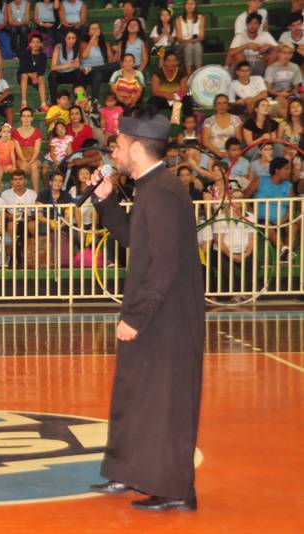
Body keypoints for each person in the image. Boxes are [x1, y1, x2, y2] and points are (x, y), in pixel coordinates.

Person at [87, 109, 204, 512]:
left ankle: (176, 490)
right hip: (154, 313)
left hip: (168, 320)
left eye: (119, 144)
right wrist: (105, 200)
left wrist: (136, 317)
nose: (114, 150)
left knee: (166, 402)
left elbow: (165, 263)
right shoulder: (150, 187)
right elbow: (133, 239)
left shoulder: (164, 192)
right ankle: (132, 472)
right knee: (136, 394)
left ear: (137, 148)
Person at [243, 156, 294, 257]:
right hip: (261, 220)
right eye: (286, 168)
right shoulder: (259, 181)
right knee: (268, 227)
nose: (289, 171)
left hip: (282, 220)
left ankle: (285, 254)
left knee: (293, 227)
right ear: (277, 170)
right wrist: (252, 213)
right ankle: (285, 252)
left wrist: (283, 220)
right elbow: (244, 198)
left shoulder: (288, 185)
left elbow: (291, 206)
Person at [1, 169, 38, 264]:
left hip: (28, 220)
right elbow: (2, 212)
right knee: (11, 225)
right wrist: (10, 215)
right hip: (12, 220)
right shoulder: (5, 194)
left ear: (25, 181)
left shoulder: (32, 194)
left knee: (33, 225)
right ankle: (10, 255)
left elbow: (36, 212)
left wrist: (29, 216)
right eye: (15, 179)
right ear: (11, 181)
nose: (18, 182)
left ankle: (34, 255)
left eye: (20, 179)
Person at [201, 94, 244, 159]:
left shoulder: (236, 119)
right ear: (215, 106)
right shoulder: (208, 121)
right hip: (213, 153)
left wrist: (230, 153)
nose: (222, 106)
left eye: (225, 103)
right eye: (219, 103)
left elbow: (239, 139)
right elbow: (205, 141)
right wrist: (219, 153)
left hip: (232, 153)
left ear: (228, 105)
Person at [48, 30, 83, 105]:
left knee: (79, 73)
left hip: (71, 74)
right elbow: (53, 67)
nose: (71, 41)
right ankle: (54, 102)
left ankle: (80, 98)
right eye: (69, 38)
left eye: (73, 38)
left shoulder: (76, 48)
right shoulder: (58, 47)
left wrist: (74, 65)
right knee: (53, 75)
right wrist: (68, 65)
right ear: (65, 39)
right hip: (60, 75)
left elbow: (77, 65)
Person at [18, 34, 48, 111]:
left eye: (37, 42)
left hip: (36, 77)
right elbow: (22, 67)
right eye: (33, 42)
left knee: (41, 78)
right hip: (24, 76)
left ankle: (43, 104)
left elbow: (42, 69)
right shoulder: (25, 54)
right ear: (30, 44)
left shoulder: (43, 56)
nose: (35, 44)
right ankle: (24, 102)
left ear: (41, 44)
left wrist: (36, 75)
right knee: (24, 75)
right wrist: (31, 75)